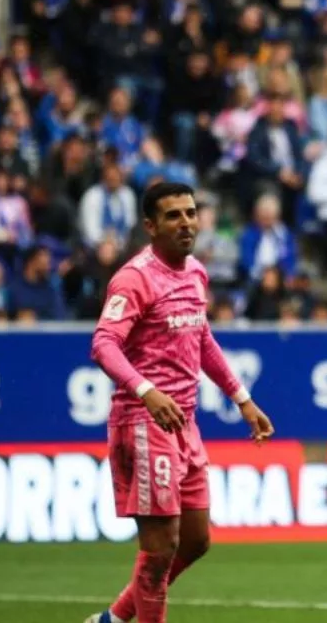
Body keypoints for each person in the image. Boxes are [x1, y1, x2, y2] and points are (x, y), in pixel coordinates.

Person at [86, 183, 275, 623]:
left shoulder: (195, 272)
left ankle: (112, 619)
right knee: (160, 547)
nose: (186, 222)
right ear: (151, 226)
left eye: (191, 213)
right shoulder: (135, 278)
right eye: (173, 215)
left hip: (184, 422)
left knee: (195, 540)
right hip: (143, 421)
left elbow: (201, 337)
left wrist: (242, 398)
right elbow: (103, 343)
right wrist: (146, 390)